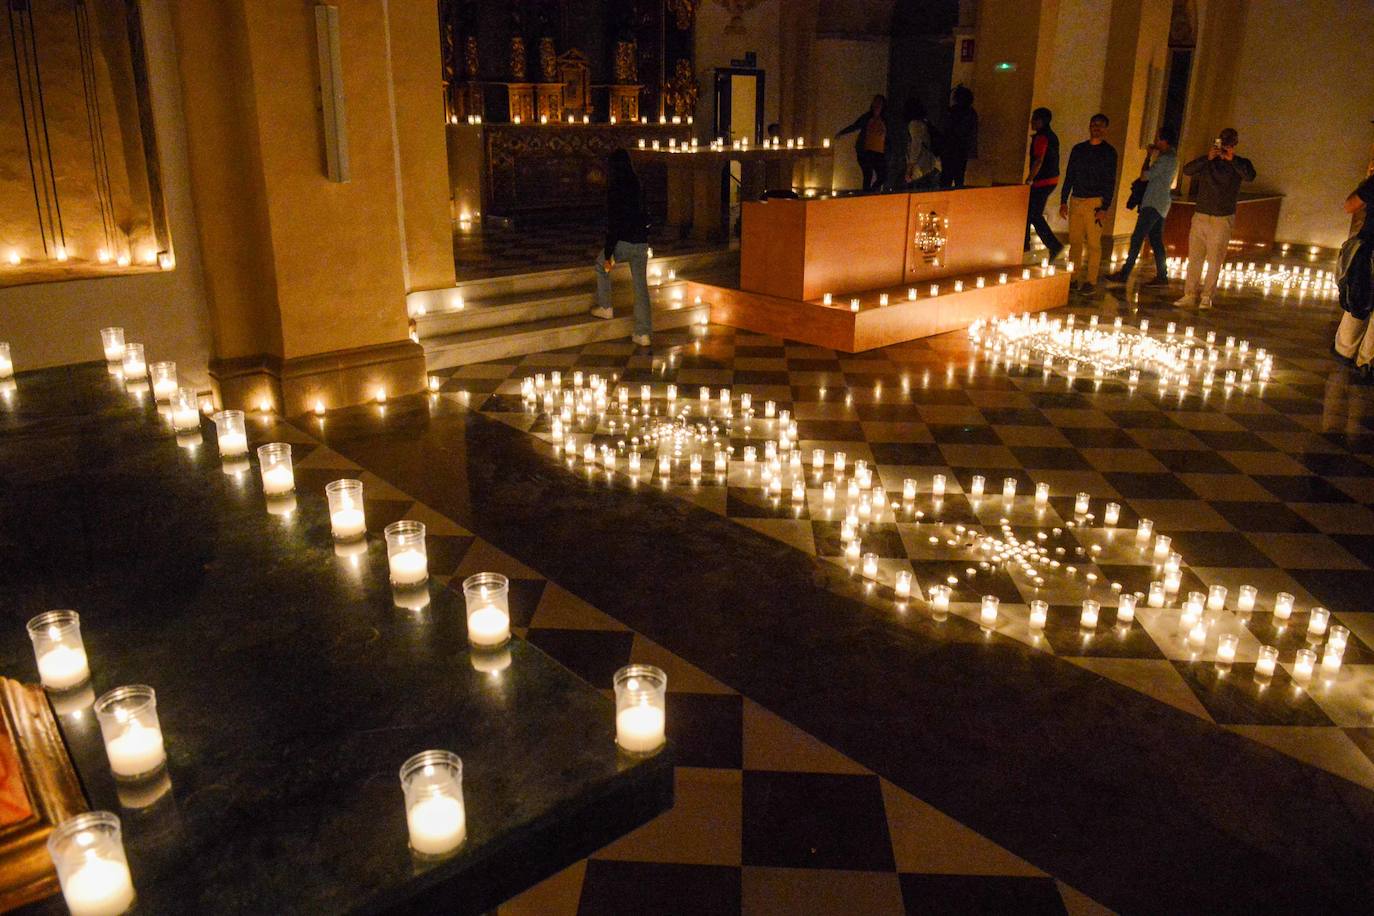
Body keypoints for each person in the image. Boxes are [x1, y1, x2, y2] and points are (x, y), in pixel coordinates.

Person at [1177, 127, 1256, 308]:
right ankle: (1189, 294)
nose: (1225, 146)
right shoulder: (1209, 162)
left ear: (1234, 144)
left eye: (1229, 143)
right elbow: (1188, 170)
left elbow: (1250, 175)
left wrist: (1233, 159)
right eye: (1223, 142)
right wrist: (1208, 157)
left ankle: (1207, 296)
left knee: (1214, 260)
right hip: (1201, 215)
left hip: (1222, 217)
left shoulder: (1240, 163)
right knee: (1194, 258)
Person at [591, 149, 653, 347]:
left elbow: (614, 224)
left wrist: (609, 253)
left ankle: (606, 306)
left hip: (623, 244)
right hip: (641, 243)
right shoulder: (637, 184)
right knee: (640, 287)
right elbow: (645, 214)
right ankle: (643, 333)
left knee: (602, 266)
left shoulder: (615, 188)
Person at [1105, 125, 1179, 287]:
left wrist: (1148, 158)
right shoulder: (1171, 157)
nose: (1155, 140)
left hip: (1153, 203)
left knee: (1137, 237)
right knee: (1156, 239)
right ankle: (1162, 275)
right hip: (1161, 203)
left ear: (1163, 140)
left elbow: (1145, 176)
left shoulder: (1166, 159)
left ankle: (1125, 274)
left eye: (1157, 137)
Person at [1057, 113, 1117, 293]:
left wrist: (1104, 207)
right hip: (1076, 199)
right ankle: (1073, 277)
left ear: (1105, 129)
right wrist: (1063, 200)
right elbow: (1069, 176)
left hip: (1095, 202)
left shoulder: (1109, 153)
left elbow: (1110, 181)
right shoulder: (1078, 150)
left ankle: (1091, 281)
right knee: (1075, 242)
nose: (1096, 128)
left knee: (1093, 244)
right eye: (1093, 124)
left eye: (1100, 125)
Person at [1335, 173, 1374, 381]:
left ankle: (1345, 352)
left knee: (1358, 300)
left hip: (1369, 250)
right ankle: (1367, 360)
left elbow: (1350, 206)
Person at [1024, 107, 1062, 260]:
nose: (1031, 122)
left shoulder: (1042, 137)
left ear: (1040, 121)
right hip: (1051, 179)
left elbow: (1039, 160)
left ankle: (1054, 245)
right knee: (1029, 212)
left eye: (1034, 119)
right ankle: (1024, 242)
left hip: (1042, 181)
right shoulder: (1052, 136)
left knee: (1033, 214)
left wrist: (1029, 179)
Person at [836, 95, 887, 191]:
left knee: (882, 175)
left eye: (879, 103)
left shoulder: (884, 119)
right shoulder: (867, 117)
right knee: (868, 174)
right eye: (875, 102)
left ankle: (870, 193)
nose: (877, 105)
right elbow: (855, 126)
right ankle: (866, 196)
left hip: (878, 152)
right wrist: (842, 132)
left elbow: (889, 134)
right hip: (866, 151)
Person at [941, 85, 977, 189]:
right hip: (962, 150)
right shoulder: (971, 113)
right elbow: (972, 133)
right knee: (959, 177)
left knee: (946, 178)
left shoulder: (952, 111)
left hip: (949, 149)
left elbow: (947, 129)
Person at [903, 97, 940, 191]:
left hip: (920, 162)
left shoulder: (914, 124)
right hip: (928, 161)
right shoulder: (924, 124)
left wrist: (910, 165)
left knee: (915, 186)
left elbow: (916, 145)